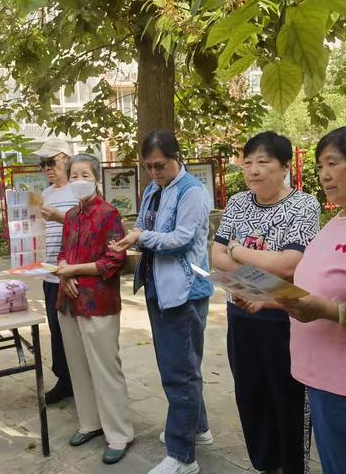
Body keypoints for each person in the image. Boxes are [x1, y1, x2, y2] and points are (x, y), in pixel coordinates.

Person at [211, 131, 321, 474]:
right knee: (251, 396)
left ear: (285, 166)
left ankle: (292, 467)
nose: (254, 170)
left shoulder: (304, 205)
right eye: (248, 162)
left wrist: (239, 251)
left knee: (288, 401)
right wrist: (260, 264)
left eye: (264, 162)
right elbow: (215, 255)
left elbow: (291, 264)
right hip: (241, 316)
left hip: (284, 318)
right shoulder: (238, 203)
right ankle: (265, 465)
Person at [110, 129, 214, 474]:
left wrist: (142, 237)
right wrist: (130, 238)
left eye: (160, 166)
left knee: (179, 372)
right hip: (157, 285)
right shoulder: (154, 190)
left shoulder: (192, 192)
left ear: (176, 158)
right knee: (180, 365)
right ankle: (196, 427)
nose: (154, 173)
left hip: (185, 289)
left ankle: (183, 455)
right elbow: (143, 226)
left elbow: (182, 240)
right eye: (149, 167)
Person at [54, 154, 134, 465]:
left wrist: (73, 271)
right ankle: (90, 423)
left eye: (84, 174)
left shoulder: (109, 214)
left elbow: (114, 261)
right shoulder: (72, 215)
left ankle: (119, 434)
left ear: (97, 178)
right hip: (68, 300)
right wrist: (65, 269)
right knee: (78, 366)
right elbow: (62, 252)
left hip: (98, 303)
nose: (78, 180)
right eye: (73, 175)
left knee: (105, 369)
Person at [277, 127, 346, 474]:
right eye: (320, 166)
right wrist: (268, 300)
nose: (324, 175)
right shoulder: (334, 221)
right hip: (317, 377)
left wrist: (327, 311)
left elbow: (327, 302)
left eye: (332, 163)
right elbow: (314, 287)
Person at [35, 138, 78, 404]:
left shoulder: (79, 191)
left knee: (77, 331)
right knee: (56, 330)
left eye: (51, 162)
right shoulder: (45, 194)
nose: (48, 168)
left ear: (66, 159)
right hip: (50, 272)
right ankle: (64, 380)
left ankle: (82, 379)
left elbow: (90, 225)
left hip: (74, 271)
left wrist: (61, 218)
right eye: (43, 164)